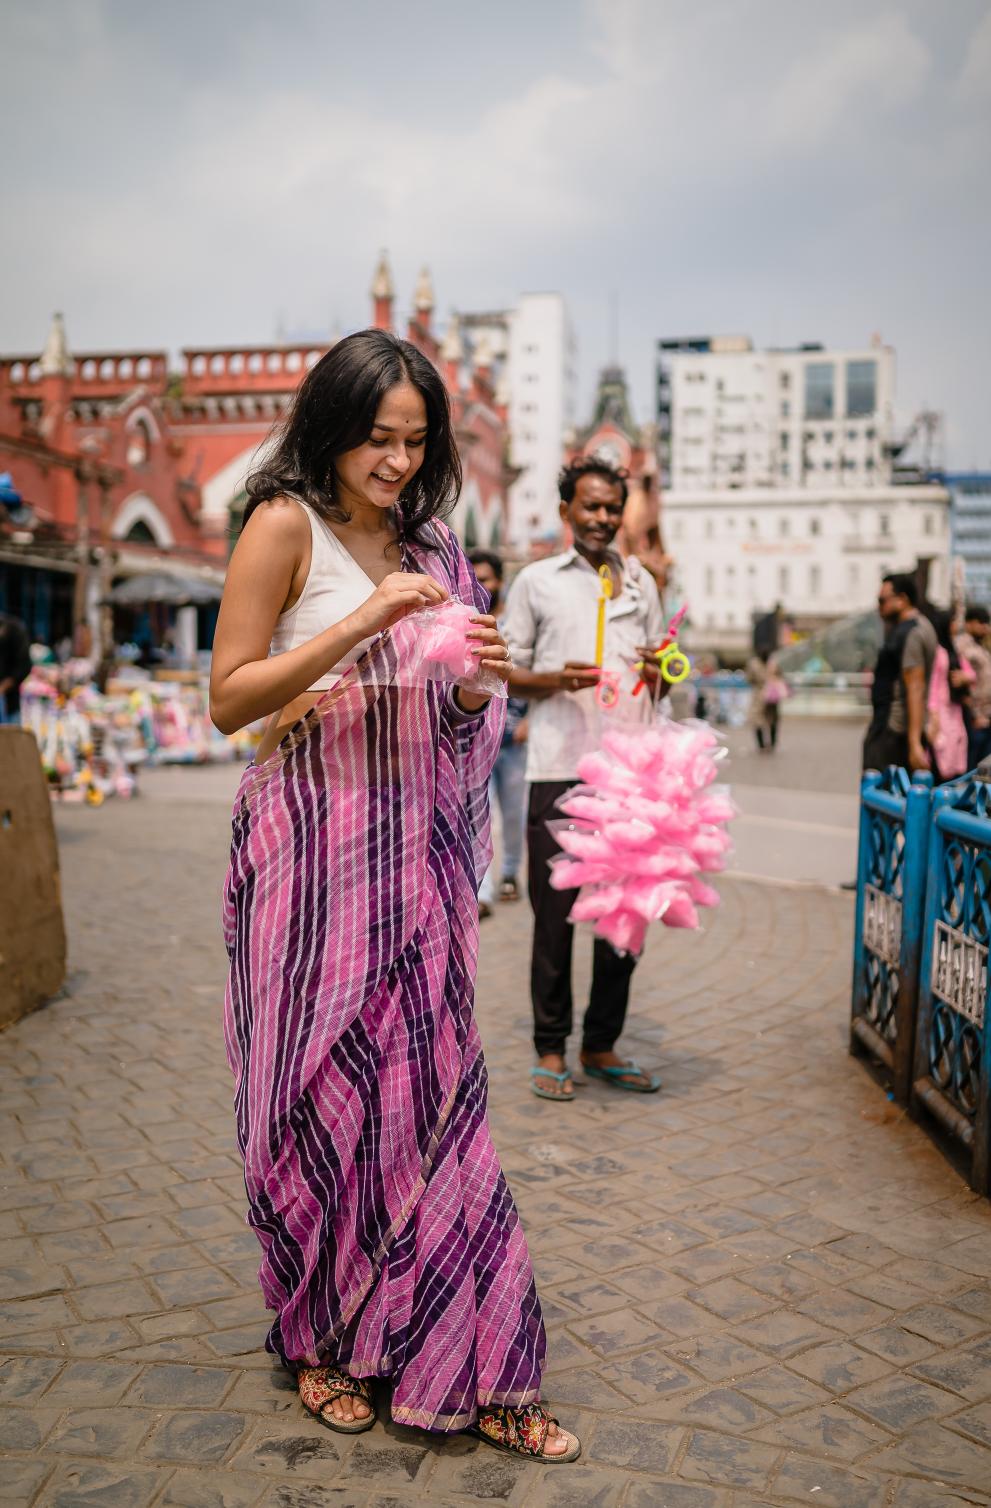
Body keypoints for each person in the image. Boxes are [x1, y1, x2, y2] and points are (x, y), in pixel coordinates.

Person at [210, 329, 578, 1463]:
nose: (396, 463)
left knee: (434, 1108)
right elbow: (229, 698)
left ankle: (480, 1361)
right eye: (378, 439)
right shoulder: (282, 524)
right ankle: (321, 1338)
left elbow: (464, 720)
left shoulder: (434, 541)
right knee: (317, 1107)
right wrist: (365, 621)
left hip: (416, 867)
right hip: (310, 865)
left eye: (415, 443)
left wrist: (474, 681)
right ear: (333, 427)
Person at [503, 457, 665, 1103]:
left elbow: (663, 669)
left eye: (610, 508)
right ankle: (550, 1046)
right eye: (589, 506)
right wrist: (554, 681)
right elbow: (502, 670)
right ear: (566, 509)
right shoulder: (535, 582)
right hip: (556, 768)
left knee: (623, 920)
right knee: (554, 919)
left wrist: (664, 672)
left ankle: (600, 1044)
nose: (601, 518)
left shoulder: (642, 585)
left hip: (630, 771)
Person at [467, 550, 528, 916]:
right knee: (481, 815)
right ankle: (482, 892)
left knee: (514, 812)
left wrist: (530, 720)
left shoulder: (513, 624)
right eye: (474, 577)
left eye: (486, 579)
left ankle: (509, 873)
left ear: (499, 582)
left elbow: (531, 670)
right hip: (478, 736)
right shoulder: (466, 621)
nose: (479, 585)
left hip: (515, 737)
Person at [863, 573, 937, 774]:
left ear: (902, 599)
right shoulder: (917, 627)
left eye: (882, 600)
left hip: (894, 733)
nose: (879, 607)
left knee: (881, 796)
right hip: (895, 731)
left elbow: (916, 685)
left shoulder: (912, 632)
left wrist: (914, 743)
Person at [926, 608, 974, 781]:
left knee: (956, 751)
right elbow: (932, 685)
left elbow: (970, 673)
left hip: (955, 711)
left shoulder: (953, 649)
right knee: (942, 754)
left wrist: (965, 678)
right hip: (942, 712)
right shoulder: (939, 653)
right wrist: (934, 715)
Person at [958, 604, 991, 769]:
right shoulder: (963, 647)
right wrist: (974, 715)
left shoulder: (981, 646)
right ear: (969, 623)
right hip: (974, 719)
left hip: (987, 716)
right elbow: (960, 685)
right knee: (973, 769)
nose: (985, 626)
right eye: (981, 622)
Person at [745, 650, 786, 753]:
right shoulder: (774, 663)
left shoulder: (753, 664)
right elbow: (781, 676)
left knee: (761, 720)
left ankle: (763, 745)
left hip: (762, 695)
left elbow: (749, 679)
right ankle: (770, 744)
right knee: (770, 720)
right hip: (770, 695)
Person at [0, 611, 32, 724]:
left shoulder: (15, 630)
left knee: (9, 737)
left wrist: (3, 687)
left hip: (10, 702)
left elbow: (24, 667)